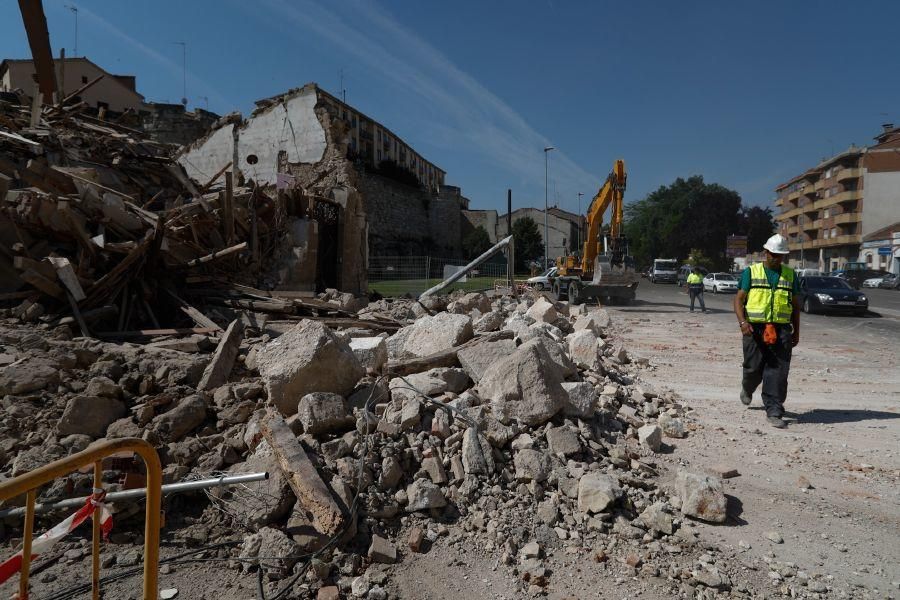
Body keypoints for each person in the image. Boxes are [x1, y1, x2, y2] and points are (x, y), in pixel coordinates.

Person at [732, 234, 801, 429]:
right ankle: (748, 385)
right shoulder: (751, 272)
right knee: (753, 368)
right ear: (766, 253)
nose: (776, 258)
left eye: (780, 255)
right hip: (754, 329)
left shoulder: (790, 274)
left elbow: (796, 306)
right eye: (773, 254)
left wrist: (796, 331)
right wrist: (742, 322)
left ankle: (774, 409)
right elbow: (738, 300)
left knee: (778, 371)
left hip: (781, 330)